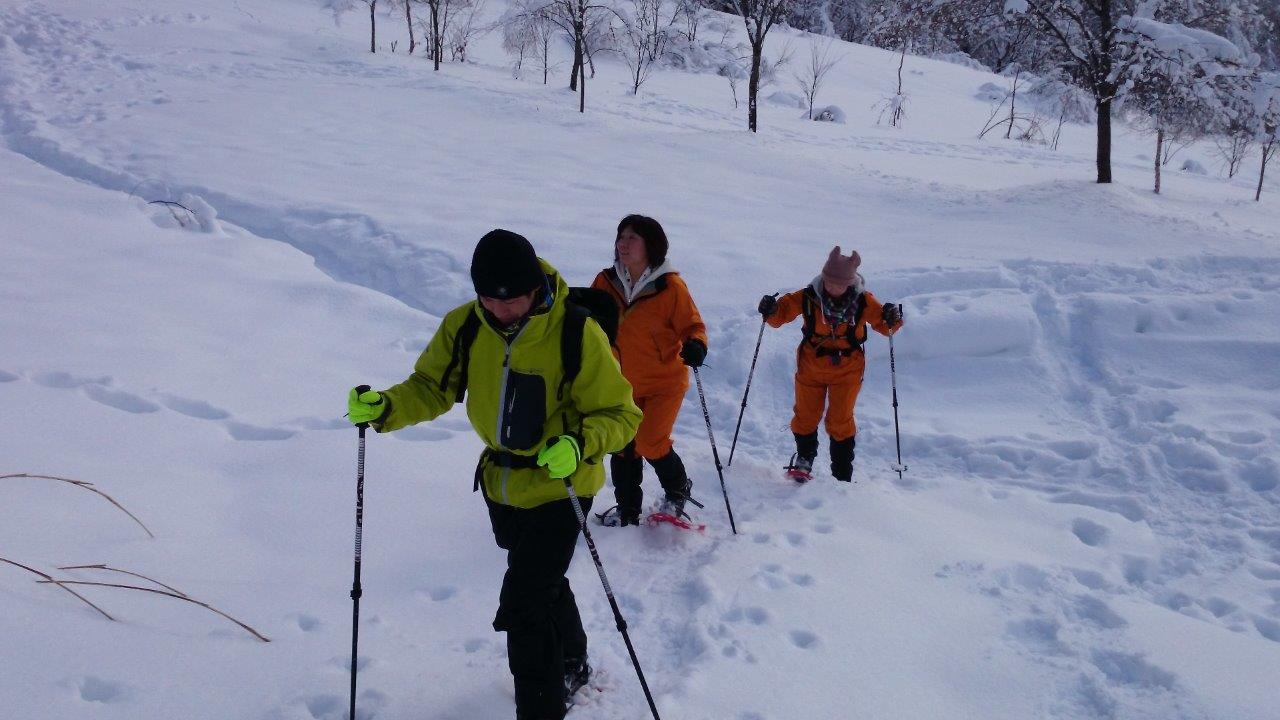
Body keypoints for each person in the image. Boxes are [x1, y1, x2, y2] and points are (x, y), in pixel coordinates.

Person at [346, 229, 642, 720]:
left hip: (562, 486)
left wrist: (579, 443)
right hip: (501, 486)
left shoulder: (574, 332)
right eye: (489, 299)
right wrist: (386, 407)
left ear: (535, 287)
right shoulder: (465, 326)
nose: (503, 312)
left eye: (515, 300)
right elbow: (430, 387)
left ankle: (541, 708)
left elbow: (621, 413)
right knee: (543, 581)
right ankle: (573, 659)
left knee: (524, 604)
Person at [591, 215, 708, 526]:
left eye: (632, 238)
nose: (623, 243)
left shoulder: (670, 286)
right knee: (622, 446)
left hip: (663, 383)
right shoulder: (605, 282)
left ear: (651, 246)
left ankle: (677, 490)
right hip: (619, 383)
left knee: (650, 442)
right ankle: (628, 509)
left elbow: (693, 325)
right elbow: (587, 321)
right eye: (621, 236)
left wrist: (696, 344)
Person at [757, 246, 903, 482]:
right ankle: (805, 458)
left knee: (840, 419)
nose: (833, 287)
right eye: (829, 281)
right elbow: (780, 315)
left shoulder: (864, 301)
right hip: (811, 364)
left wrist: (891, 317)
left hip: (848, 368)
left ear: (850, 283)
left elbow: (887, 328)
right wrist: (771, 309)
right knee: (805, 415)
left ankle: (842, 471)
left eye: (839, 283)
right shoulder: (808, 296)